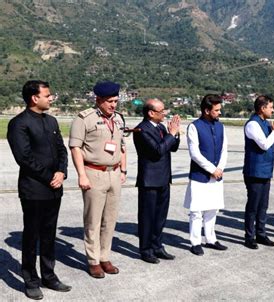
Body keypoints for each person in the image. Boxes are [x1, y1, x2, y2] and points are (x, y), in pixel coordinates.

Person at [7, 80, 71, 300]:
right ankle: (30, 279)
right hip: (34, 189)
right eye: (48, 95)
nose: (51, 98)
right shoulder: (19, 124)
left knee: (49, 234)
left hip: (55, 188)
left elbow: (62, 150)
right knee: (32, 234)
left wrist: (62, 173)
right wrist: (49, 177)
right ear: (35, 98)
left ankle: (49, 276)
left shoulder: (52, 121)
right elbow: (24, 158)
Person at [69, 81, 127, 278]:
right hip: (93, 172)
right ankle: (93, 260)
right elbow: (75, 147)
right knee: (92, 220)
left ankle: (105, 256)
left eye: (116, 101)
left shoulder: (119, 119)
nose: (113, 105)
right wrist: (82, 174)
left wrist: (123, 170)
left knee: (110, 219)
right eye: (110, 101)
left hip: (114, 173)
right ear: (99, 100)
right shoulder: (84, 118)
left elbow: (122, 146)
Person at [133, 98, 180, 263]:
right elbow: (157, 150)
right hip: (150, 181)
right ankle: (146, 250)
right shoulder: (141, 130)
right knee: (147, 217)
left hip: (164, 178)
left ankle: (158, 246)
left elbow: (172, 147)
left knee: (160, 216)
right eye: (162, 111)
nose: (165, 113)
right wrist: (171, 134)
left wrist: (175, 133)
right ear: (151, 113)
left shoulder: (160, 127)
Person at [184, 94, 228, 256]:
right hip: (200, 176)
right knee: (196, 211)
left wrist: (220, 168)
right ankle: (195, 241)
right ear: (207, 110)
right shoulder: (194, 127)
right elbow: (195, 153)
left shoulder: (220, 126)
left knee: (212, 209)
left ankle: (211, 239)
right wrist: (212, 169)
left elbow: (224, 150)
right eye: (216, 110)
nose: (219, 113)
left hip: (217, 175)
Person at [243, 95, 274, 249]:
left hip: (266, 170)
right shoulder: (253, 124)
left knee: (263, 205)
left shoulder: (266, 123)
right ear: (262, 108)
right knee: (253, 206)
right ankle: (249, 236)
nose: (272, 110)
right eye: (270, 107)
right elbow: (264, 145)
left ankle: (261, 233)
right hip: (254, 171)